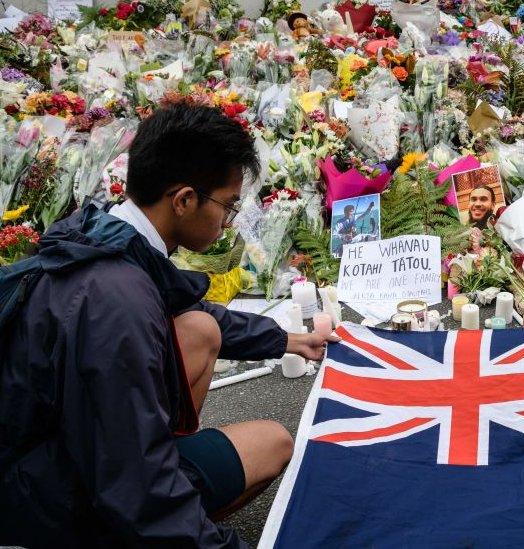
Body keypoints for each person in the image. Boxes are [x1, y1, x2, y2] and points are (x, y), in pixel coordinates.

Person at [0, 104, 338, 548]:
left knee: (198, 329)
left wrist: (286, 340)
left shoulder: (101, 233)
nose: (229, 221)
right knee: (271, 442)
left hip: (44, 461)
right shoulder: (118, 304)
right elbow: (137, 486)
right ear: (183, 200)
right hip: (45, 504)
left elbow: (191, 311)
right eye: (228, 206)